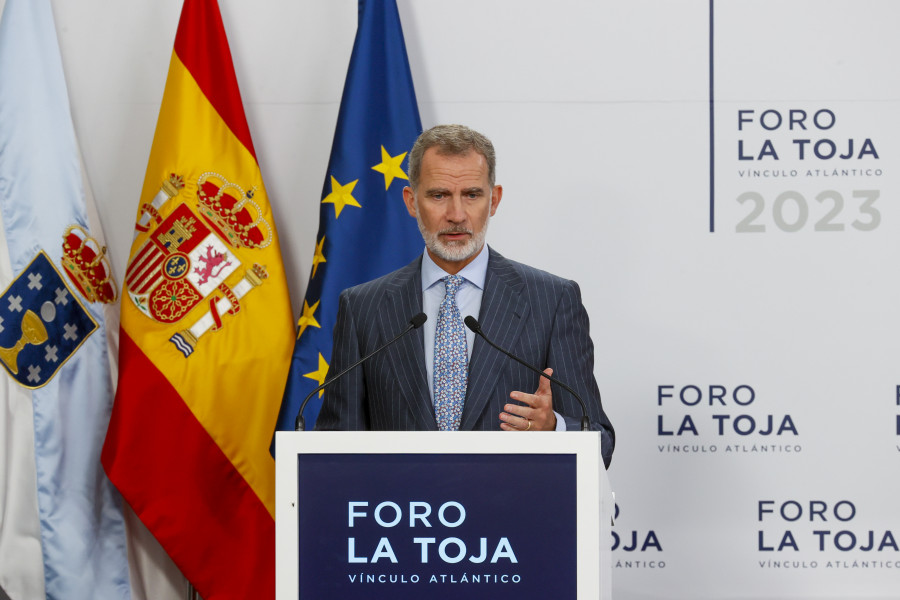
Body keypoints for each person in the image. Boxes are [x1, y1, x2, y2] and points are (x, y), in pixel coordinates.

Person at [315, 124, 614, 467]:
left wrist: (555, 429)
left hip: (511, 513)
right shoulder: (363, 307)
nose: (457, 215)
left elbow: (601, 444)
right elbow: (335, 447)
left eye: (472, 195)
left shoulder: (552, 300)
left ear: (494, 200)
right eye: (439, 195)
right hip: (402, 514)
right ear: (411, 201)